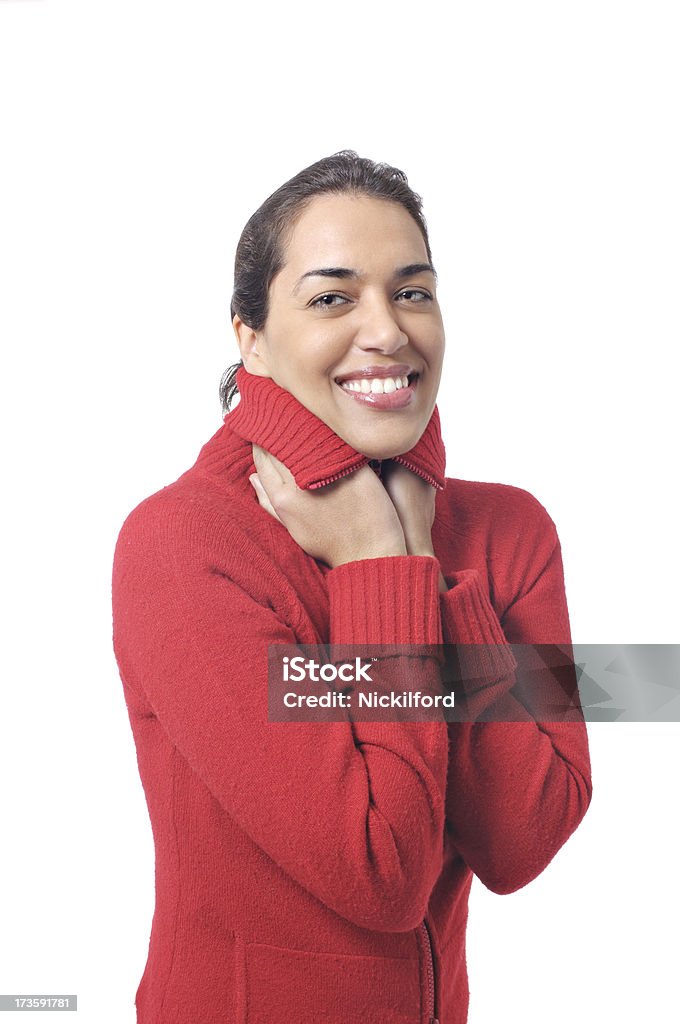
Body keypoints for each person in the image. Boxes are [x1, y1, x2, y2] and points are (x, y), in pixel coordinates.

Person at [111, 150, 592, 1024]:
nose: (389, 330)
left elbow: (526, 836)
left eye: (413, 291)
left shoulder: (512, 532)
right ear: (249, 337)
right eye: (333, 297)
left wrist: (433, 579)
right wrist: (377, 568)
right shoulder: (183, 545)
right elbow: (380, 869)